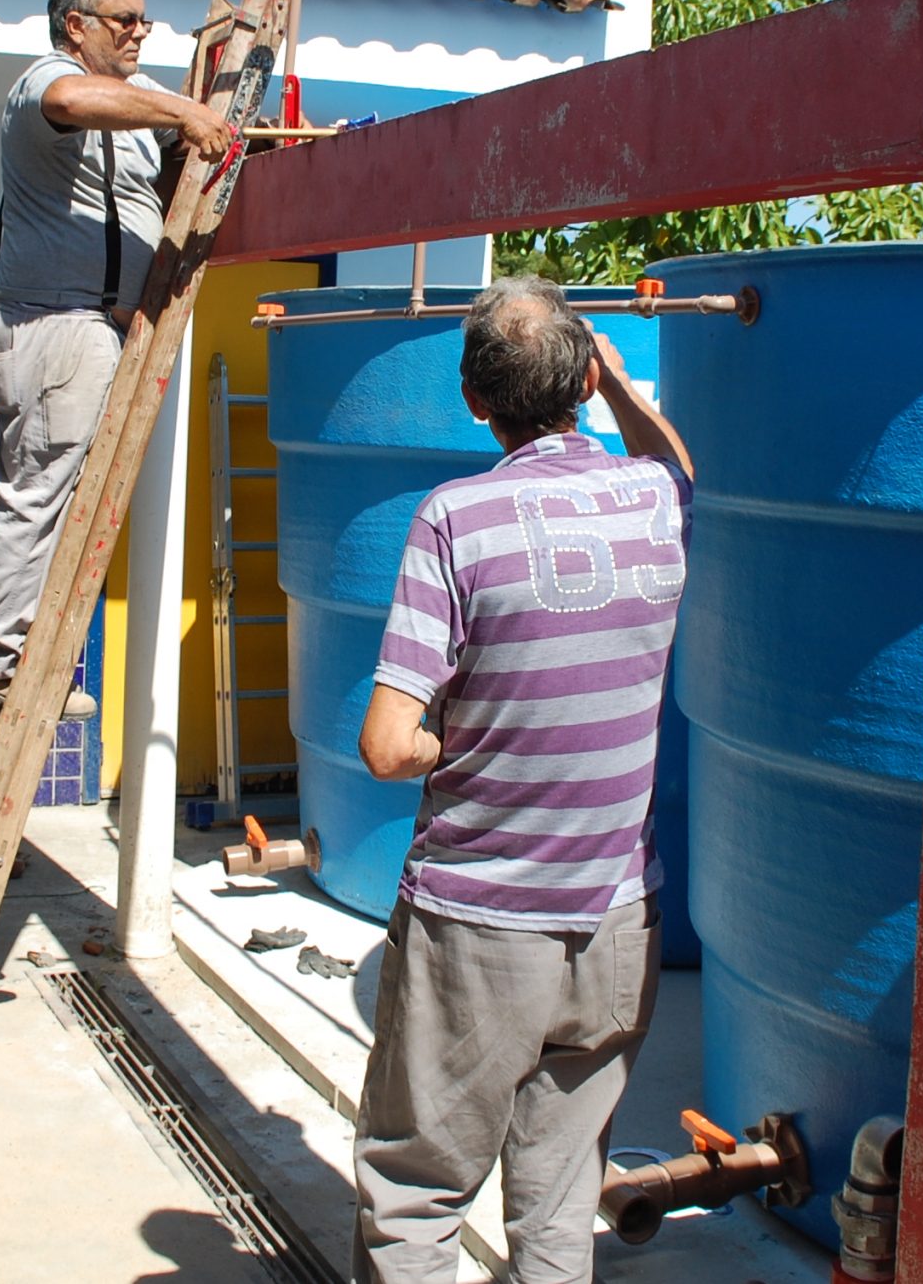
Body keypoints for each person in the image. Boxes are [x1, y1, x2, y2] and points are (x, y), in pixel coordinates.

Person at [349, 278, 696, 1284]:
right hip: (617, 923)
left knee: (416, 1192)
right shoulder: (654, 501)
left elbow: (387, 746)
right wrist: (620, 384)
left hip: (480, 921)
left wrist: (459, 743)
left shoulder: (455, 520)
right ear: (583, 381)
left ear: (474, 399)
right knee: (558, 1201)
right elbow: (678, 463)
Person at [0, 0, 233, 714]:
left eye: (145, 20)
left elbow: (164, 137)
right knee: (39, 491)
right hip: (56, 320)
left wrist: (195, 122)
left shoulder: (135, 104)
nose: (140, 33)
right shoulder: (47, 81)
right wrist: (182, 112)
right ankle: (2, 662)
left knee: (43, 489)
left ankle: (4, 647)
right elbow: (74, 99)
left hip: (85, 324)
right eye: (124, 21)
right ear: (76, 26)